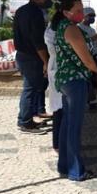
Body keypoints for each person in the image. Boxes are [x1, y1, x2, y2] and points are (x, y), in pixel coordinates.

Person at [52, 0, 97, 181]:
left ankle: (64, 164)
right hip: (75, 80)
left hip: (65, 80)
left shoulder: (63, 26)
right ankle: (76, 170)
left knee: (66, 124)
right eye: (78, 10)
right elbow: (86, 58)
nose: (82, 13)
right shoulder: (71, 29)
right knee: (74, 126)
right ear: (66, 12)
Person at [13, 0, 53, 134]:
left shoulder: (21, 10)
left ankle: (30, 117)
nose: (47, 0)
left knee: (33, 87)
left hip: (23, 55)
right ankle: (25, 122)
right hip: (32, 56)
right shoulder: (35, 13)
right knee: (30, 89)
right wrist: (45, 61)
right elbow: (37, 40)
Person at [44, 19, 64, 152]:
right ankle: (59, 143)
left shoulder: (51, 29)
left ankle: (58, 142)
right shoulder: (61, 29)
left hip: (56, 68)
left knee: (59, 108)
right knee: (60, 109)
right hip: (60, 69)